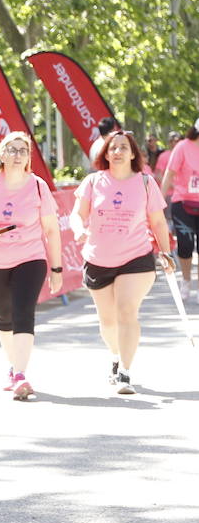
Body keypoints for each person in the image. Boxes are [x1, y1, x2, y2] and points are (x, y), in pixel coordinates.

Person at [0, 132, 64, 400]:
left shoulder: (38, 186)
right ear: (2, 155)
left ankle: (20, 375)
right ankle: (13, 366)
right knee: (5, 315)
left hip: (30, 257)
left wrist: (56, 269)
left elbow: (52, 230)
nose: (18, 155)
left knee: (23, 312)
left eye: (23, 151)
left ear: (29, 157)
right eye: (12, 150)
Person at [72, 129, 169, 394]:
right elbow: (76, 215)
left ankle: (125, 371)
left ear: (133, 153)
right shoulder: (93, 182)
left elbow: (158, 221)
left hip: (136, 257)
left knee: (126, 309)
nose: (117, 152)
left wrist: (165, 251)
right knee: (108, 321)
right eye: (112, 148)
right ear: (105, 153)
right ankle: (116, 355)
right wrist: (79, 229)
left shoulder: (146, 183)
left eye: (123, 147)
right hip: (98, 259)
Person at [160, 122, 199, 300]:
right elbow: (169, 174)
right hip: (183, 203)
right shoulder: (183, 147)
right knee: (185, 245)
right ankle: (186, 280)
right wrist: (158, 203)